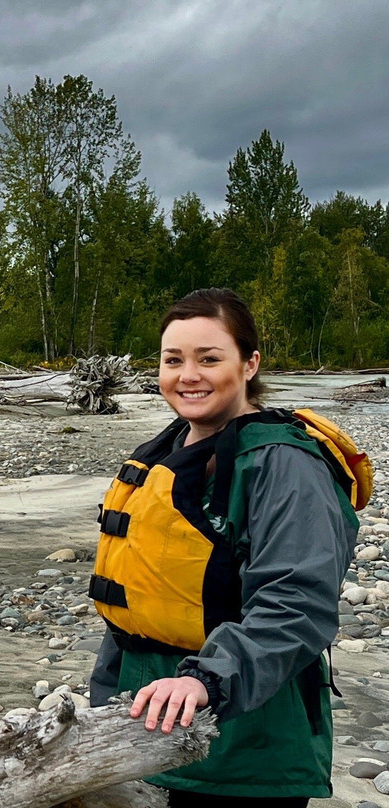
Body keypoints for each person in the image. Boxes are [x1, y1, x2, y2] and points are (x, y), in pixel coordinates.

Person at [88, 288, 364, 807]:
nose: (188, 375)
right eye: (174, 360)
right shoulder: (167, 453)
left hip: (244, 749)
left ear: (249, 362)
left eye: (209, 358)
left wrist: (206, 683)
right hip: (138, 729)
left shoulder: (286, 465)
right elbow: (139, 600)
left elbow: (297, 603)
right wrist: (103, 702)